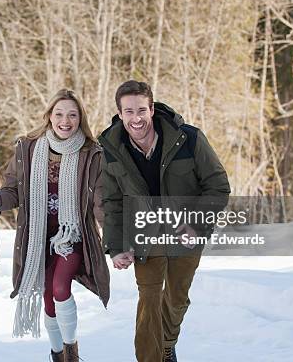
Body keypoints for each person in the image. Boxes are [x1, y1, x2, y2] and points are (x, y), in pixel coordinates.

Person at [0, 89, 110, 362]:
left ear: (80, 118)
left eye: (72, 114)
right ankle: (57, 354)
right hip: (38, 237)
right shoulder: (28, 148)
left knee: (60, 288)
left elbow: (100, 203)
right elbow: (13, 192)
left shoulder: (91, 154)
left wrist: (117, 239)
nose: (65, 120)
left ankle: (72, 353)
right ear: (49, 117)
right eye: (59, 114)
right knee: (47, 296)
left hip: (72, 236)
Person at [98, 80, 231, 362]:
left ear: (152, 108)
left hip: (187, 232)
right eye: (129, 111)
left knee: (176, 298)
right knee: (149, 298)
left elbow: (218, 186)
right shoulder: (109, 148)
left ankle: (167, 345)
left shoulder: (189, 139)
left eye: (142, 110)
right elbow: (112, 201)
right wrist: (116, 244)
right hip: (144, 235)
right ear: (120, 114)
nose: (136, 118)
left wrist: (196, 223)